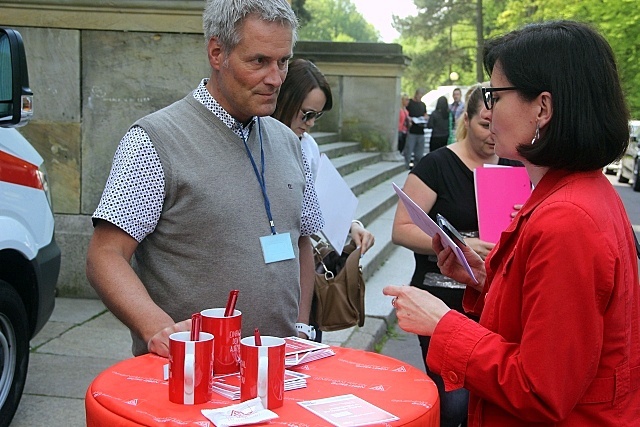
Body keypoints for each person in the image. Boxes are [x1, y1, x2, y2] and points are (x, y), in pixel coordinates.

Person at [385, 20, 640, 426]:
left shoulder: (567, 220)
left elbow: (540, 388)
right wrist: (487, 278)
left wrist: (443, 324)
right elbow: (548, 315)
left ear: (542, 108)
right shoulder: (573, 193)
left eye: (494, 94)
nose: (488, 110)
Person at [86, 0, 324, 357]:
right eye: (259, 61)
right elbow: (105, 255)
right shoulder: (155, 139)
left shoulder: (291, 143)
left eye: (283, 61)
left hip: (278, 371)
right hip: (189, 377)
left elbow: (302, 240)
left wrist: (302, 330)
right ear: (217, 52)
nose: (275, 78)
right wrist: (159, 329)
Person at [391, 84, 519, 427]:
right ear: (467, 119)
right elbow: (401, 228)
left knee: (487, 401)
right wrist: (460, 242)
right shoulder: (437, 165)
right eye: (484, 124)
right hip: (441, 300)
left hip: (494, 301)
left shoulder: (515, 166)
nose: (493, 134)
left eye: (498, 125)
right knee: (454, 403)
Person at [272, 58, 375, 254]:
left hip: (295, 252)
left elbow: (323, 199)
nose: (310, 123)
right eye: (307, 114)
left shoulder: (308, 145)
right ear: (284, 100)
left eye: (316, 116)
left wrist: (352, 225)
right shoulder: (256, 140)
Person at [404, 88, 428, 169]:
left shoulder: (423, 105)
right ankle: (405, 167)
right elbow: (405, 113)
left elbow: (425, 114)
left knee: (419, 154)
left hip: (421, 131)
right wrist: (410, 119)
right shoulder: (410, 103)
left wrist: (425, 118)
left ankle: (416, 169)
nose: (420, 97)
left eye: (421, 96)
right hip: (412, 131)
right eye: (419, 95)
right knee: (408, 151)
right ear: (416, 94)